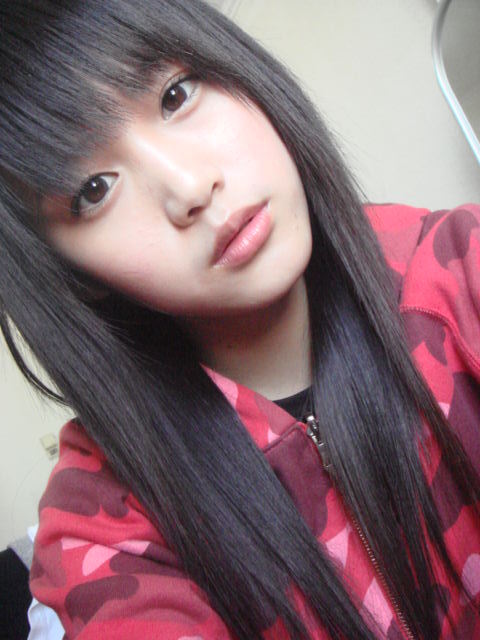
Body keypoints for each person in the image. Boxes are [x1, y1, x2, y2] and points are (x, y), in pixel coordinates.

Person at [0, 1, 479, 638]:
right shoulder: (108, 529)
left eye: (176, 95)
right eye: (94, 190)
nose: (190, 186)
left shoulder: (459, 275)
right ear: (73, 274)